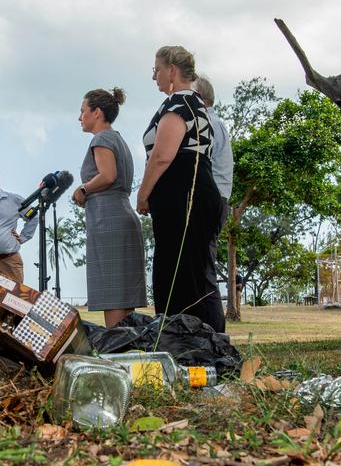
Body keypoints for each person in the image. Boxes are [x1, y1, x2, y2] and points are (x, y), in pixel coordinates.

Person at [136, 46, 225, 332]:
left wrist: (143, 193)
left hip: (183, 194)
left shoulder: (180, 105)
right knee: (194, 272)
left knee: (180, 274)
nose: (154, 77)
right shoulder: (197, 105)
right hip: (193, 191)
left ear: (172, 70)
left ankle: (188, 341)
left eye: (157, 69)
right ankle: (202, 340)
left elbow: (163, 155)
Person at [72, 88, 147, 328]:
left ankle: (117, 354)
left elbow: (107, 175)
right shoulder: (119, 139)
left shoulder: (101, 139)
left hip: (109, 221)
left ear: (97, 112)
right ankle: (129, 353)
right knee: (124, 298)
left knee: (113, 295)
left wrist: (83, 190)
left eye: (83, 111)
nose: (79, 116)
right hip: (121, 215)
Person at [193, 75, 234, 309]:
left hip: (210, 198)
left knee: (203, 267)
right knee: (202, 266)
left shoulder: (207, 123)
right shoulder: (213, 122)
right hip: (217, 198)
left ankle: (212, 328)